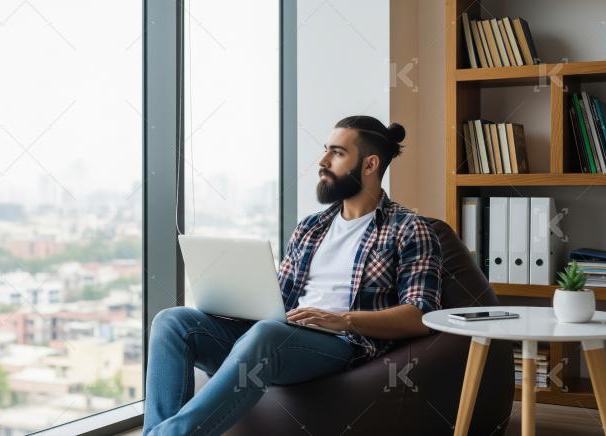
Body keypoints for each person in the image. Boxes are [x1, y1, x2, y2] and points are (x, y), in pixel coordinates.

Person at [142, 115, 443, 435]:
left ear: (369, 165)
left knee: (266, 334)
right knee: (171, 322)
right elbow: (279, 298)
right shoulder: (311, 227)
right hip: (283, 333)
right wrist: (235, 303)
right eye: (326, 150)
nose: (323, 161)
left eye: (337, 153)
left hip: (341, 343)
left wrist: (344, 320)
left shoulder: (410, 228)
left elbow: (421, 315)